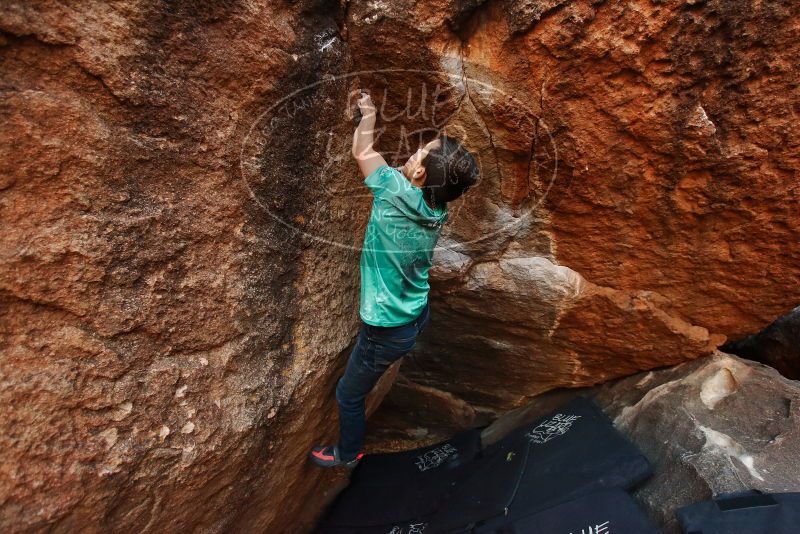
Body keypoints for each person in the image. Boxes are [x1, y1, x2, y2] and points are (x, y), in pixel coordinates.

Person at [309, 90, 480, 468]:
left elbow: (362, 153)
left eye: (419, 152)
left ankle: (347, 452)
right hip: (415, 313)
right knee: (366, 375)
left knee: (349, 395)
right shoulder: (438, 208)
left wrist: (367, 114)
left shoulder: (392, 189)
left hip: (386, 327)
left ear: (419, 172)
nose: (412, 153)